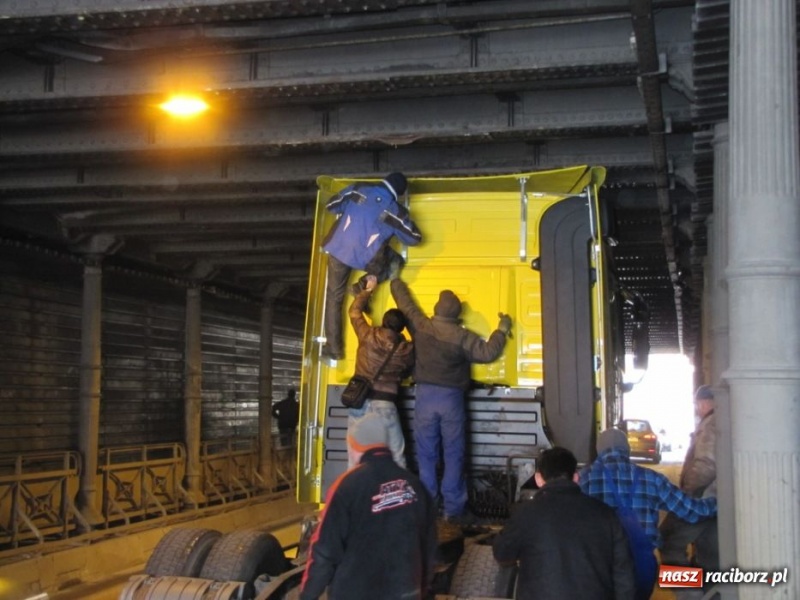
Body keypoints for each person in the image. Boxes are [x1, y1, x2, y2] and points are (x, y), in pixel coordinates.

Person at [390, 278, 512, 523]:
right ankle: (453, 510)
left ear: (436, 309)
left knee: (426, 455)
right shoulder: (462, 336)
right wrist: (502, 329)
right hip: (452, 401)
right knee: (454, 454)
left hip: (425, 398)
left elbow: (405, 304)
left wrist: (395, 280)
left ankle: (428, 506)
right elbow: (488, 353)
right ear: (457, 315)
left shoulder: (421, 326)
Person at [299, 413, 437, 600]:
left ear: (354, 444)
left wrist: (307, 596)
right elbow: (429, 549)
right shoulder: (415, 485)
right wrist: (422, 590)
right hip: (405, 593)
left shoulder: (346, 486)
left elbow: (325, 551)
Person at [579, 428, 718, 600]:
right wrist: (717, 503)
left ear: (598, 450)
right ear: (627, 449)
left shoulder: (583, 480)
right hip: (641, 568)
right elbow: (691, 511)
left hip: (598, 567)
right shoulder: (651, 479)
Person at [493, 446, 635, 600]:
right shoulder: (605, 514)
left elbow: (502, 553)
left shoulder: (525, 513)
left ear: (538, 479)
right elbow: (624, 573)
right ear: (576, 477)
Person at [321, 172, 423, 360]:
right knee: (395, 261)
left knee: (334, 298)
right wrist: (404, 220)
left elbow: (331, 206)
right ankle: (362, 286)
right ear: (398, 193)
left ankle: (334, 349)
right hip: (367, 259)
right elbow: (414, 238)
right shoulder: (395, 211)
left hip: (338, 248)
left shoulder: (357, 189)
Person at [347, 275, 415, 468]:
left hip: (358, 400)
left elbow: (354, 312)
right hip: (385, 403)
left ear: (384, 321)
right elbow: (407, 371)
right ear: (402, 328)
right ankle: (397, 487)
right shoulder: (406, 350)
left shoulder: (368, 334)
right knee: (396, 456)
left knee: (355, 456)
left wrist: (368, 290)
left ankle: (356, 486)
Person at [659, 385, 719, 577]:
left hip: (701, 498)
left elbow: (706, 465)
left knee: (668, 540)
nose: (697, 409)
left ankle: (688, 589)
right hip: (712, 499)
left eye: (697, 404)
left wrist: (687, 491)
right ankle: (705, 586)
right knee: (708, 550)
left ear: (703, 403)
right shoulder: (719, 421)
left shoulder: (710, 425)